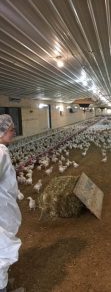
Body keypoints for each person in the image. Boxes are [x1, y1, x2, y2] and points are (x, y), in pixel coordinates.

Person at [0, 115, 23, 292]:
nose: (13, 132)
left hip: (4, 206)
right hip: (2, 210)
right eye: (11, 130)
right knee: (4, 252)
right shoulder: (0, 151)